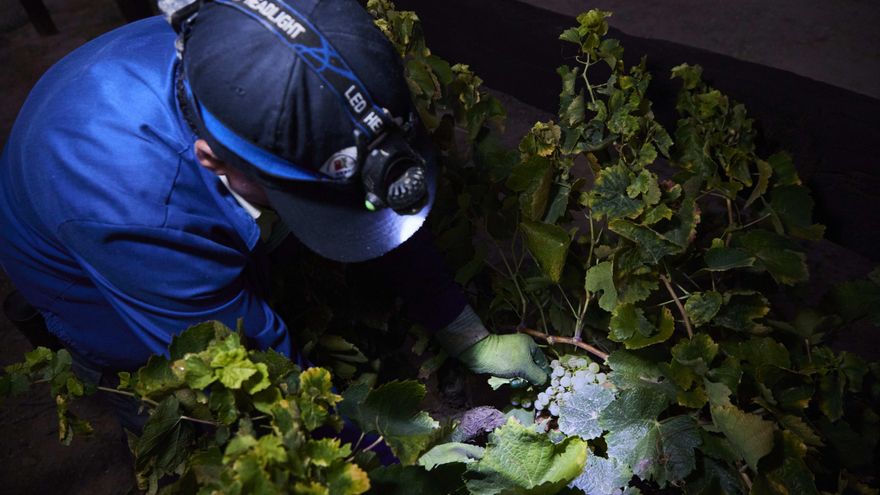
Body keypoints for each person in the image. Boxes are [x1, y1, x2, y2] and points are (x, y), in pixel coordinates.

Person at [0, 0, 547, 430]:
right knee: (194, 408)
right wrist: (390, 459)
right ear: (213, 160)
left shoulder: (320, 70)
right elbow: (272, 387)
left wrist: (462, 328)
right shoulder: (136, 214)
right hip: (93, 283)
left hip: (202, 191)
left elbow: (375, 196)